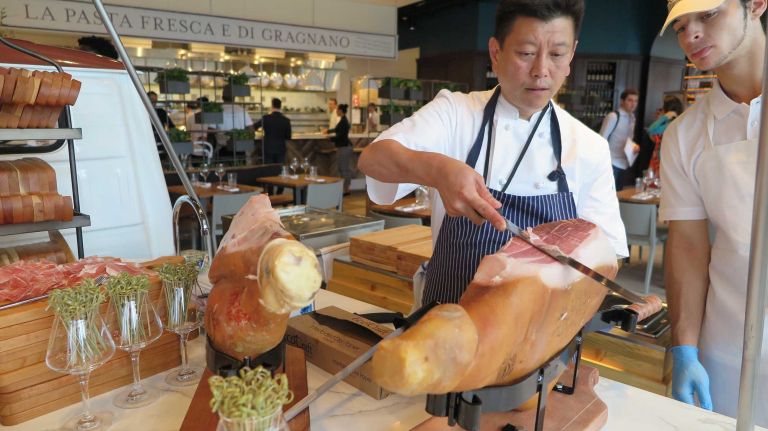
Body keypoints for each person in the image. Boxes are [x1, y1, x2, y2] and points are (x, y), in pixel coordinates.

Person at [359, 0, 628, 307]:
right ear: (496, 53)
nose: (541, 71)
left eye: (556, 55)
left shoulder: (589, 145)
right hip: (448, 326)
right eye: (526, 54)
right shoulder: (456, 113)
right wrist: (436, 169)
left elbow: (608, 253)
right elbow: (373, 158)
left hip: (543, 334)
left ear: (571, 57)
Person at [659, 0, 768, 423]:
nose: (692, 35)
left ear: (755, 4)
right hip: (725, 348)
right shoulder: (684, 135)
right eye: (681, 25)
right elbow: (688, 246)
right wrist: (684, 346)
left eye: (708, 14)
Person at [598, 89, 640, 191]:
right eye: (630, 100)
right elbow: (601, 139)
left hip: (624, 162)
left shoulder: (632, 118)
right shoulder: (613, 116)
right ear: (622, 101)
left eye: (635, 101)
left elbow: (628, 140)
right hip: (611, 163)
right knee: (608, 195)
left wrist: (634, 147)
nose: (633, 104)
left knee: (619, 195)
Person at [647, 95, 684, 174]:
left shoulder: (671, 124)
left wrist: (664, 117)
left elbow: (651, 130)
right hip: (667, 159)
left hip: (663, 159)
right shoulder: (679, 122)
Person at [255, 98, 292, 165]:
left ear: (272, 106)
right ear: (280, 106)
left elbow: (254, 127)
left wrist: (260, 132)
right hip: (280, 148)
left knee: (269, 169)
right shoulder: (286, 120)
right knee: (279, 169)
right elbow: (288, 136)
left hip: (268, 148)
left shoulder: (266, 118)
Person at [327, 103, 353, 195]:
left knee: (344, 168)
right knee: (342, 168)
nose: (336, 112)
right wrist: (328, 131)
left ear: (341, 111)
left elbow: (340, 136)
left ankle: (346, 189)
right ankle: (345, 188)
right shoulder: (343, 120)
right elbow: (336, 130)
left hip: (344, 147)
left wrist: (330, 138)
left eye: (337, 110)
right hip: (343, 147)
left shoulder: (344, 121)